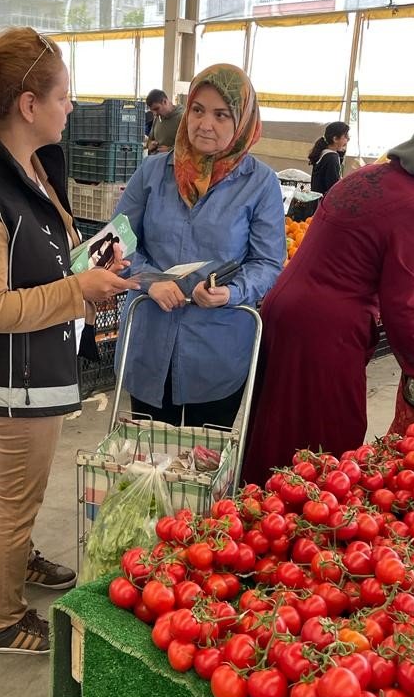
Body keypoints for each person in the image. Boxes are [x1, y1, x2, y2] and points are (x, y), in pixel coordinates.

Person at [0, 25, 137, 655]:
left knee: (28, 489)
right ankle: (2, 618)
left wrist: (93, 260)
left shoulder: (30, 166)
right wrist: (81, 293)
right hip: (13, 375)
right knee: (14, 498)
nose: (70, 107)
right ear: (28, 105)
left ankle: (23, 559)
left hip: (43, 358)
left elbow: (47, 253)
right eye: (64, 95)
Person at [242, 117, 414, 483]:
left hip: (282, 307)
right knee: (330, 431)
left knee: (277, 420)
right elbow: (400, 301)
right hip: (325, 329)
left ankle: (256, 507)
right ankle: (305, 519)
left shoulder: (364, 176)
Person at [114, 64, 286, 428]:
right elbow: (118, 240)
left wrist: (232, 291)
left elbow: (269, 262)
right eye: (197, 110)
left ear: (242, 121)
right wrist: (149, 280)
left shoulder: (260, 183)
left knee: (205, 463)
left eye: (221, 115)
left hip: (217, 346)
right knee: (147, 462)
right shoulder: (153, 172)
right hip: (149, 340)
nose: (205, 124)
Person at [308, 121, 350, 195]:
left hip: (317, 200)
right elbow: (333, 187)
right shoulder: (332, 157)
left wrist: (340, 154)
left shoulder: (324, 153)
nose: (348, 139)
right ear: (335, 139)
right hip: (324, 202)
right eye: (346, 136)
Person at [145, 88, 184, 154]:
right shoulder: (158, 117)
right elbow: (150, 139)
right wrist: (149, 144)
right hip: (156, 161)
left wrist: (170, 150)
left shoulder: (183, 118)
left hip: (172, 162)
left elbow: (190, 147)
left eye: (156, 109)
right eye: (152, 111)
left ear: (165, 102)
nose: (155, 113)